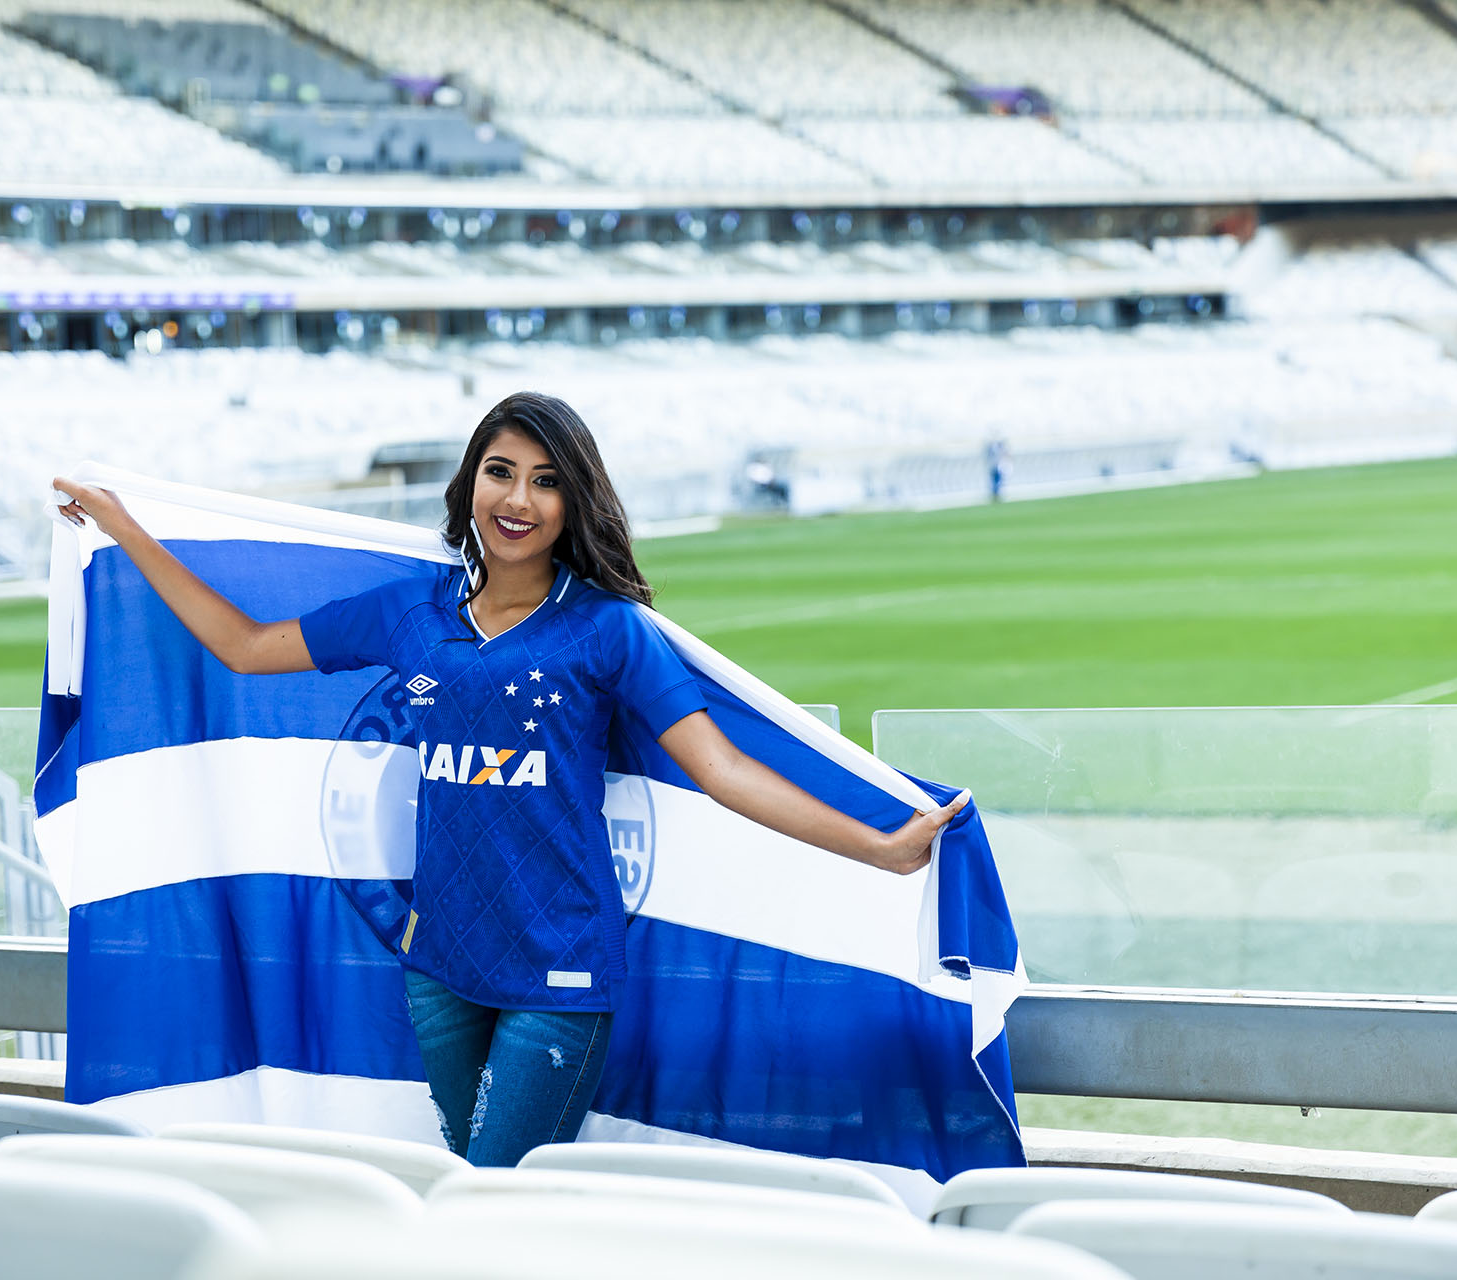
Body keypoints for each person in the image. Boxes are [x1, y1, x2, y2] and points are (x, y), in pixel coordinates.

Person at [52, 390, 968, 1167]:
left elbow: (724, 771)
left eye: (546, 480)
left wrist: (881, 850)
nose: (518, 498)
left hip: (560, 972)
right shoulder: (413, 609)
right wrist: (127, 529)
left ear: (576, 501)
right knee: (482, 1193)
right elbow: (246, 649)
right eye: (500, 471)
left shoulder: (612, 631)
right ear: (470, 482)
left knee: (489, 1198)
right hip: (438, 968)